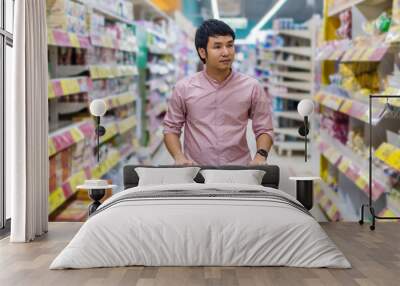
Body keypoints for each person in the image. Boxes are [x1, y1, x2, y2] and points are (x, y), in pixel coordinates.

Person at [163, 19, 274, 166]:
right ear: (202, 52)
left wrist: (261, 156)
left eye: (230, 45)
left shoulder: (252, 87)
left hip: (238, 170)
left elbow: (264, 128)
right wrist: (179, 156)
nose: (226, 52)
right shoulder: (183, 88)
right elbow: (171, 128)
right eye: (217, 47)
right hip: (196, 171)